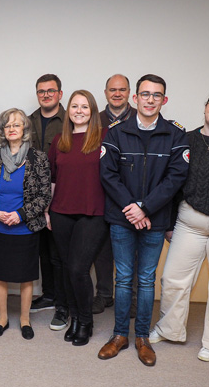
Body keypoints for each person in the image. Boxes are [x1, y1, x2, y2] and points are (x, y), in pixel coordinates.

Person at [97, 74, 189, 367]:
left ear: (164, 100)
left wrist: (145, 208)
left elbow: (175, 178)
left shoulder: (175, 134)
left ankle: (142, 339)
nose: (150, 100)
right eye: (145, 94)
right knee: (122, 279)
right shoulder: (116, 132)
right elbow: (108, 175)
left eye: (156, 95)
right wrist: (132, 208)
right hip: (122, 218)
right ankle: (119, 336)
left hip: (155, 219)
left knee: (147, 281)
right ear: (135, 99)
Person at [150, 89, 209, 362]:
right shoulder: (186, 139)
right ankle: (169, 329)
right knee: (173, 279)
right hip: (188, 221)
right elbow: (172, 183)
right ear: (205, 106)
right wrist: (168, 223)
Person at [0, 108, 51, 340]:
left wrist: (20, 215)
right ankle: (2, 319)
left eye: (16, 125)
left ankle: (24, 319)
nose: (12, 129)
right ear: (3, 131)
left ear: (25, 129)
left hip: (25, 227)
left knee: (25, 275)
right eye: (7, 125)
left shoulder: (38, 157)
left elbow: (44, 196)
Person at [48, 90, 109, 346]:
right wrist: (46, 210)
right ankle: (74, 319)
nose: (79, 111)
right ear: (68, 110)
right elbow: (52, 179)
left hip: (92, 213)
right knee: (65, 269)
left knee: (78, 269)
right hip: (61, 212)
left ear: (93, 111)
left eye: (85, 106)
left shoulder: (105, 137)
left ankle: (85, 321)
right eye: (75, 106)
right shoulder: (59, 141)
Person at [94, 74, 138, 316]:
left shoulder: (139, 117)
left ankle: (131, 297)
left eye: (122, 90)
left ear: (129, 93)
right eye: (113, 89)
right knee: (102, 249)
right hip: (102, 192)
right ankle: (103, 294)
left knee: (131, 252)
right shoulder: (95, 120)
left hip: (132, 195)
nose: (117, 93)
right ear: (105, 92)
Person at [28, 73, 68, 331]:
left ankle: (64, 303)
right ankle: (50, 295)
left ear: (60, 94)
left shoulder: (69, 120)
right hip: (34, 196)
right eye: (41, 91)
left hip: (62, 195)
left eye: (50, 91)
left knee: (60, 253)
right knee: (42, 249)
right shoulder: (29, 120)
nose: (45, 95)